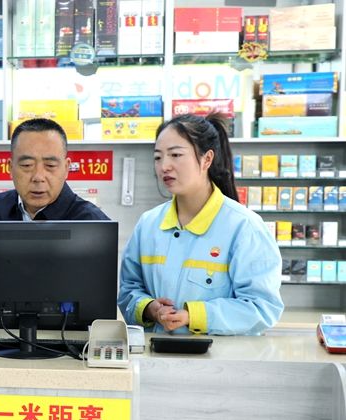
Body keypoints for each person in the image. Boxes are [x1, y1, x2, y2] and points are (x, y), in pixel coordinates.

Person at [118, 113, 283, 335]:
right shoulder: (148, 224)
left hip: (218, 356)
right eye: (158, 157)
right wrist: (150, 309)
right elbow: (128, 291)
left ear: (207, 159)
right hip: (155, 352)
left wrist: (194, 316)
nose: (164, 166)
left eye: (176, 155)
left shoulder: (244, 226)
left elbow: (262, 307)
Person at [0, 118, 109, 221]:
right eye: (27, 165)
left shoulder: (92, 222)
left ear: (66, 168)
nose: (38, 177)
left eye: (50, 165)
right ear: (10, 168)